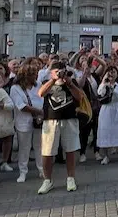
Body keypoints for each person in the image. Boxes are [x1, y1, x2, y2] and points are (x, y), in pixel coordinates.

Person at [37, 60, 86, 194]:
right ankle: (47, 180)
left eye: (61, 70)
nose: (59, 73)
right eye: (56, 71)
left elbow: (80, 97)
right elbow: (41, 93)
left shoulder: (72, 82)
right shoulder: (46, 82)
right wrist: (53, 80)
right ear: (51, 72)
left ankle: (70, 177)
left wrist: (69, 83)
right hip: (50, 120)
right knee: (47, 151)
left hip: (69, 119)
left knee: (70, 149)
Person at [9, 64, 44, 182]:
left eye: (35, 74)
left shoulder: (38, 85)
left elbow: (43, 99)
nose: (35, 76)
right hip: (23, 121)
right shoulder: (15, 88)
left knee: (39, 146)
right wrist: (39, 111)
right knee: (24, 147)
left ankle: (42, 169)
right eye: (32, 74)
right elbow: (21, 106)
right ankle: (23, 172)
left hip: (38, 121)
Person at [96, 67, 118, 164]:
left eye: (114, 72)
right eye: (110, 72)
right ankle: (106, 155)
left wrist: (112, 88)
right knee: (105, 131)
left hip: (116, 108)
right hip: (106, 109)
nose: (111, 74)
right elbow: (100, 93)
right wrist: (104, 82)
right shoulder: (103, 84)